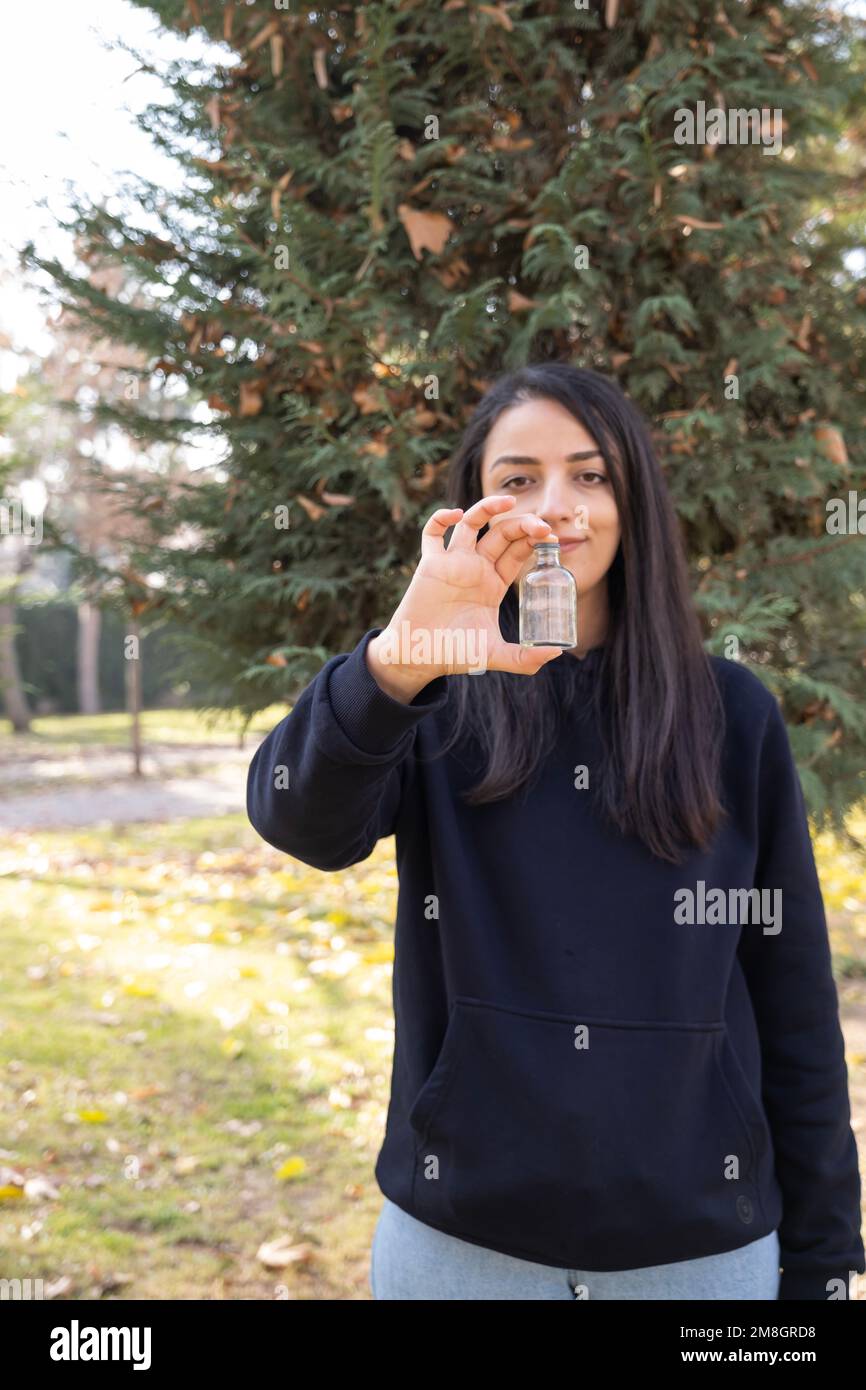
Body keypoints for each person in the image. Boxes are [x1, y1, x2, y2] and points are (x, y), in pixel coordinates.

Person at [246, 363, 864, 1301]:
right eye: (519, 479)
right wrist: (398, 663)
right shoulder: (431, 700)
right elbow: (298, 818)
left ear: (633, 499)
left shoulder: (733, 715)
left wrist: (824, 1262)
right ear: (475, 510)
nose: (559, 508)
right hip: (461, 1252)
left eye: (591, 474)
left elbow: (795, 1006)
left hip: (702, 1260)